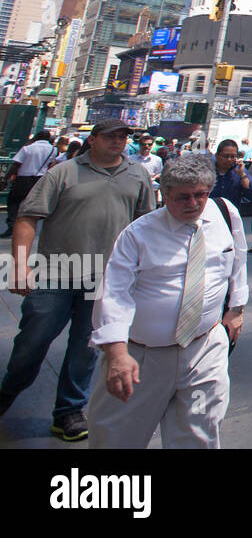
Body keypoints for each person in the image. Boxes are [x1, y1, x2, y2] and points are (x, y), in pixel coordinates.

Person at [0, 119, 154, 441]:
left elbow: (145, 227)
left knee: (86, 349)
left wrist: (144, 273)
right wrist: (19, 265)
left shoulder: (138, 175)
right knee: (32, 341)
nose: (118, 142)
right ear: (93, 139)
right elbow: (28, 217)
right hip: (55, 272)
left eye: (123, 137)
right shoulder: (64, 172)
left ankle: (68, 412)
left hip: (106, 279)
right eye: (110, 136)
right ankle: (8, 391)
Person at [86, 154, 248, 448]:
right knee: (118, 435)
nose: (193, 204)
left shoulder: (225, 214)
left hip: (205, 348)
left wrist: (236, 309)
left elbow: (237, 259)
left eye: (201, 195)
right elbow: (114, 294)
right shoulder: (137, 235)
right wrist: (117, 354)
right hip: (142, 357)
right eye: (182, 197)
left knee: (200, 432)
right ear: (164, 193)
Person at [1, 129, 57, 238]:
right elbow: (51, 164)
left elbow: (16, 165)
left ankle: (12, 224)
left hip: (23, 179)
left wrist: (5, 179)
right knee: (31, 204)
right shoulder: (53, 150)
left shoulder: (28, 148)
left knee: (14, 201)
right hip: (39, 179)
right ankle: (27, 226)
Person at [212, 139, 252, 213]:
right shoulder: (207, 170)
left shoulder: (239, 171)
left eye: (232, 156)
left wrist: (242, 176)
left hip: (230, 217)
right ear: (217, 155)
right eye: (225, 156)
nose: (229, 159)